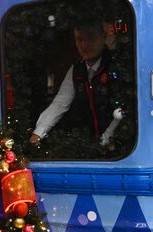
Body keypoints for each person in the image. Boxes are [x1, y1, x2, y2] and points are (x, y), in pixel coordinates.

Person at [29, 16, 123, 147]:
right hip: (90, 145)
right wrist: (38, 134)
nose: (84, 44)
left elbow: (123, 110)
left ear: (103, 36)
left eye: (90, 37)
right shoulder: (76, 70)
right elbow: (60, 103)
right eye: (79, 39)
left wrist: (108, 137)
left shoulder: (118, 66)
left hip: (121, 146)